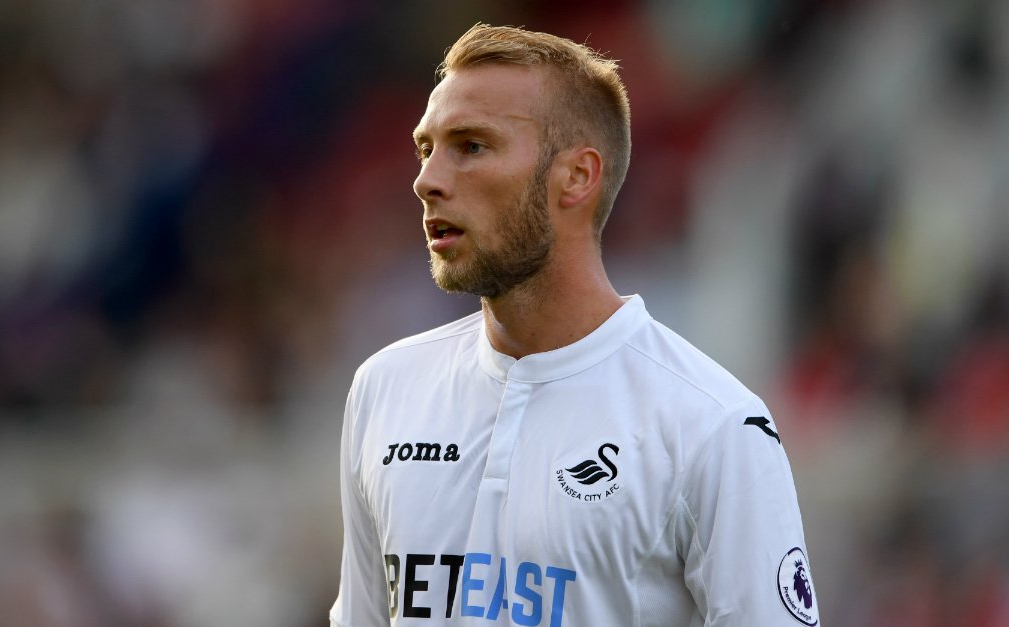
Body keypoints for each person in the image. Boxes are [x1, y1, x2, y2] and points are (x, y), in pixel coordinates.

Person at [330, 23, 819, 627]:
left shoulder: (712, 424)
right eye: (426, 149)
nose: (426, 180)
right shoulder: (384, 389)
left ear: (578, 177)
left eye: (471, 146)